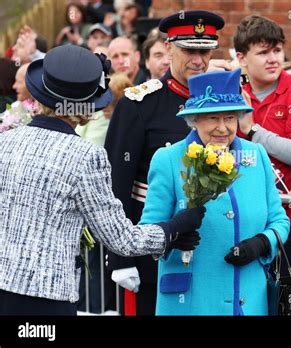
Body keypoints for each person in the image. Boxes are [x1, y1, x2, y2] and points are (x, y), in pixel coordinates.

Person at [0, 45, 205, 315]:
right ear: (87, 107)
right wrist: (173, 227)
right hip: (46, 298)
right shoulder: (86, 155)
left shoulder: (6, 141)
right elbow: (121, 239)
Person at [104, 10, 225, 315]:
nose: (199, 60)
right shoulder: (139, 103)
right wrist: (122, 257)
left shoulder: (220, 103)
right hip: (152, 243)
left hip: (210, 243)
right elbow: (116, 182)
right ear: (169, 47)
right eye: (189, 51)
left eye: (205, 51)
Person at [141, 68, 290, 315]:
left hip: (248, 299)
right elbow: (148, 230)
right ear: (194, 119)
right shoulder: (169, 159)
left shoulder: (256, 155)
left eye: (230, 118)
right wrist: (172, 235)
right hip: (192, 300)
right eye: (212, 118)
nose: (222, 128)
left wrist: (262, 243)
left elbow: (279, 220)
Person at [234, 15, 291, 314]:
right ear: (241, 58)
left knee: (290, 302)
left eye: (277, 50)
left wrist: (253, 131)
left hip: (289, 221)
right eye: (263, 52)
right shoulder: (230, 92)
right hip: (239, 219)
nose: (273, 59)